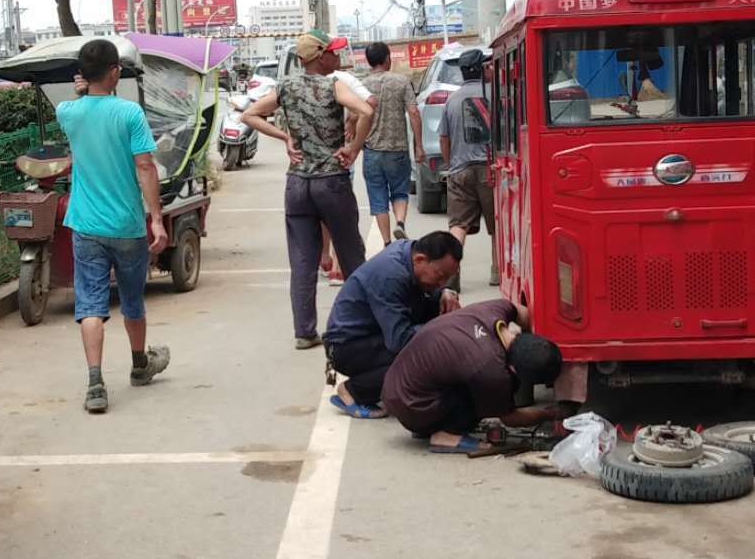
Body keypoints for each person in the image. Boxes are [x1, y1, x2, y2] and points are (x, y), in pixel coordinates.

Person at [240, 30, 374, 349]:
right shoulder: (333, 84)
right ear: (319, 56)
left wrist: (285, 137)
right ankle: (363, 324)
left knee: (302, 260)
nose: (336, 58)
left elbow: (249, 114)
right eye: (332, 53)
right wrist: (354, 147)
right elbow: (367, 111)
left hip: (297, 183)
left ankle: (304, 332)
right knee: (351, 253)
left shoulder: (284, 87)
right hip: (331, 181)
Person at [56, 39, 170, 414]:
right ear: (114, 72)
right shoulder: (130, 113)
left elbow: (77, 107)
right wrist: (156, 218)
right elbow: (145, 167)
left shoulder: (67, 112)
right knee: (133, 300)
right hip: (127, 226)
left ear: (83, 75)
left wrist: (81, 92)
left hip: (85, 225)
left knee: (90, 304)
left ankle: (95, 384)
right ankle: (139, 366)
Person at [383, 299, 567, 455]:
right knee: (490, 395)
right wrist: (549, 414)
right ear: (514, 368)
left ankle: (431, 423)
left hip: (399, 384)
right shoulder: (490, 368)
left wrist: (538, 348)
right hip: (411, 405)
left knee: (465, 377)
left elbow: (522, 312)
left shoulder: (495, 311)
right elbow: (510, 418)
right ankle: (446, 435)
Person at [322, 232, 463, 417]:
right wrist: (441, 334)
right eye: (440, 275)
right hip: (347, 347)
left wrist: (446, 292)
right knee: (426, 353)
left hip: (373, 332)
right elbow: (400, 339)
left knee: (440, 313)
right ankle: (354, 391)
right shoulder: (390, 276)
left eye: (448, 278)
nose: (442, 282)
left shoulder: (412, 253)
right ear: (420, 260)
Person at [436, 51, 497, 286]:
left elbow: (444, 138)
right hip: (491, 170)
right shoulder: (495, 94)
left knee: (458, 225)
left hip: (459, 169)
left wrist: (450, 164)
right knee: (497, 227)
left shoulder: (452, 99)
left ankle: (451, 276)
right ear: (481, 69)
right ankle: (497, 272)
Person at [357, 42, 421, 244]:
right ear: (387, 59)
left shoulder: (362, 86)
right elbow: (413, 112)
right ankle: (400, 223)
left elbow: (353, 116)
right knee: (400, 191)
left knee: (378, 199)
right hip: (397, 149)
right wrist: (418, 145)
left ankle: (386, 242)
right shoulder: (402, 81)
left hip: (372, 150)